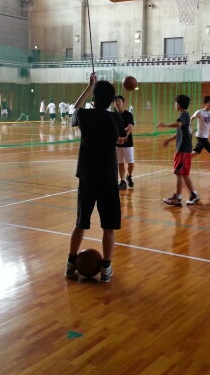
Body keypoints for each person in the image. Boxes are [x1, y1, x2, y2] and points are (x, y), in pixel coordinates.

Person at [65, 73, 124, 283]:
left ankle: (70, 264)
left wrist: (89, 86)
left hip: (87, 178)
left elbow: (75, 108)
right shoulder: (116, 119)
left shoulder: (84, 116)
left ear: (94, 97)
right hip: (108, 179)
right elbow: (120, 134)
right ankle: (106, 269)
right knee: (108, 227)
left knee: (80, 223)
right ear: (111, 100)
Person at [158, 94, 200, 206]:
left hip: (183, 149)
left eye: (175, 103)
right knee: (183, 173)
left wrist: (165, 125)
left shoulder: (183, 115)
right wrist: (169, 140)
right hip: (184, 149)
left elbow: (178, 124)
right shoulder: (186, 115)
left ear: (178, 105)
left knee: (180, 173)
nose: (174, 105)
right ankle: (188, 195)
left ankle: (179, 197)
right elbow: (180, 133)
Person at [114, 95, 135, 190]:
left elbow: (130, 128)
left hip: (128, 142)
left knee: (130, 162)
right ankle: (122, 181)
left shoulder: (128, 115)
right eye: (115, 101)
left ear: (123, 103)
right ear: (114, 104)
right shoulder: (113, 115)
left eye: (119, 101)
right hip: (117, 142)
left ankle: (129, 176)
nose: (117, 103)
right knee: (120, 162)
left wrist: (123, 136)